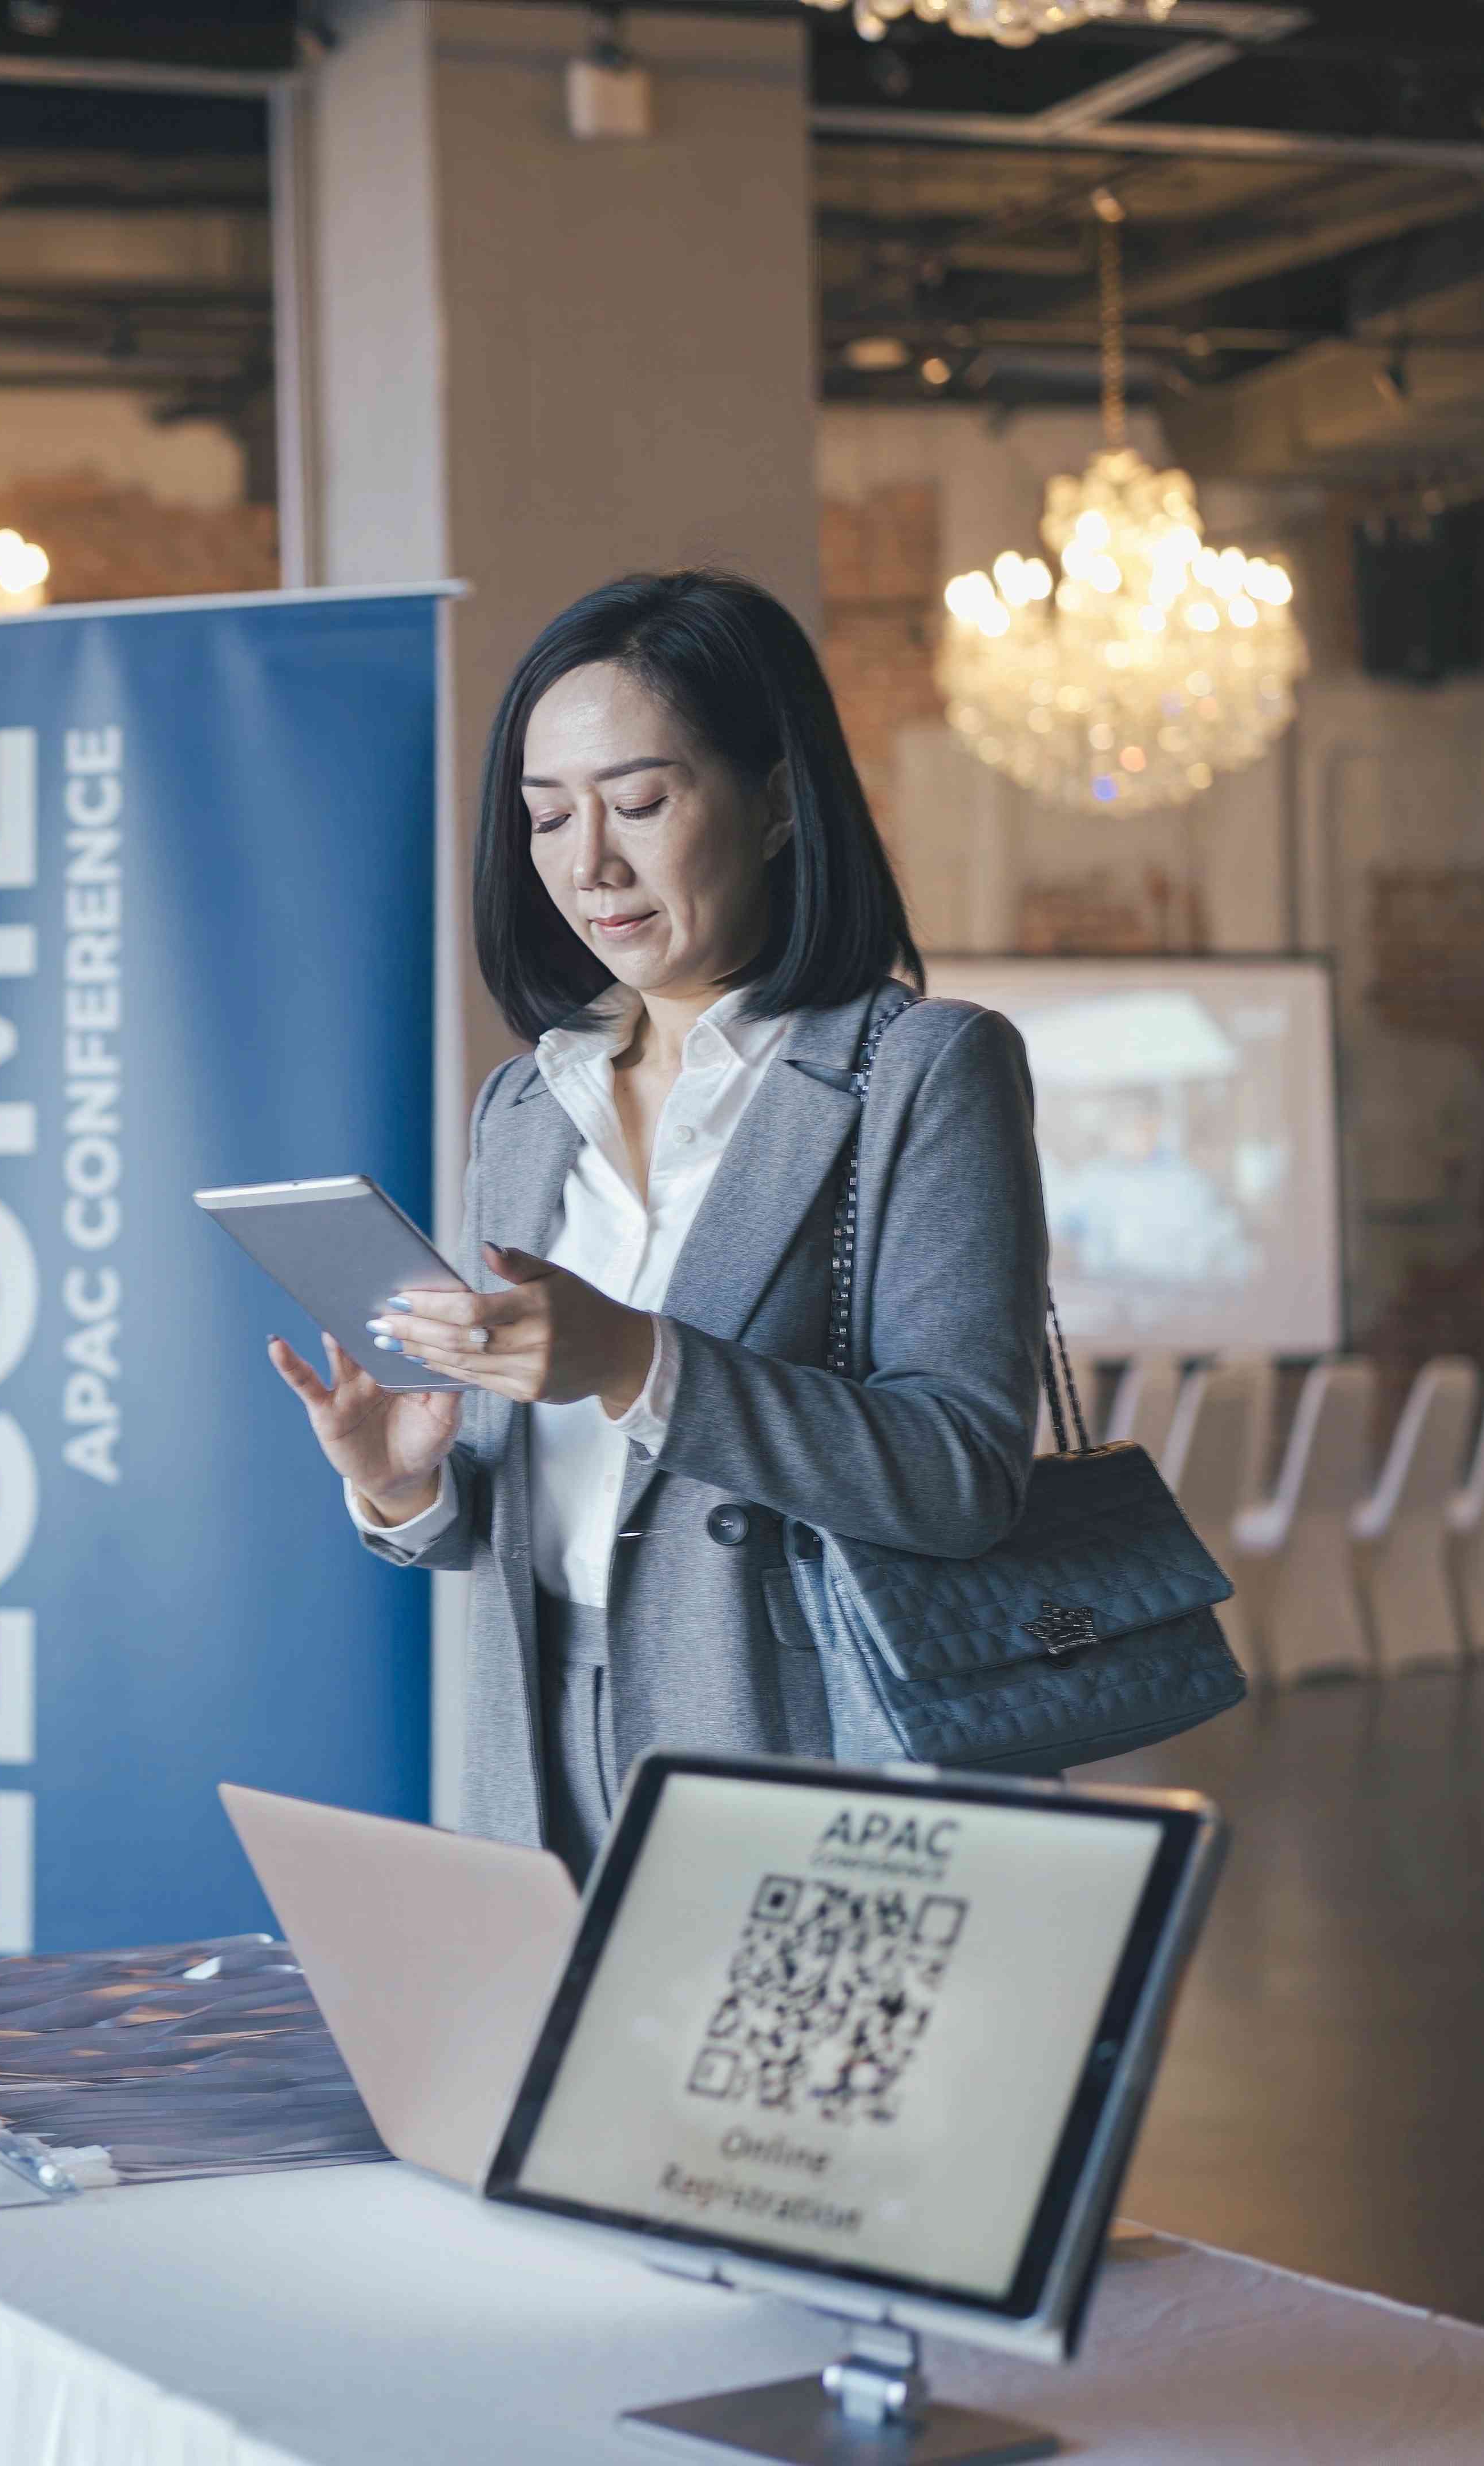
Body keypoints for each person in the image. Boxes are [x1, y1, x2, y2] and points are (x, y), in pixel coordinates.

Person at [263, 571, 1049, 1872]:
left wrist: (640, 1361)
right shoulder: (524, 1103)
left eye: (639, 802)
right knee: (543, 2079)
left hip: (790, 1737)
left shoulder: (921, 1070)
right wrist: (406, 1487)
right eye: (546, 815)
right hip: (528, 1737)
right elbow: (558, 1507)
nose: (590, 865)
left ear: (780, 799)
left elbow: (964, 1477)